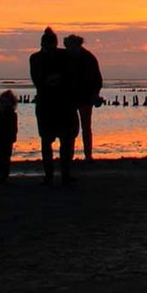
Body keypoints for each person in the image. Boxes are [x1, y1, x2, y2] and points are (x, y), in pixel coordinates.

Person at [29, 27, 77, 185]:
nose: (50, 48)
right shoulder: (36, 58)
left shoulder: (64, 56)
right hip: (47, 103)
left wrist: (55, 80)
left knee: (65, 140)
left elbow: (70, 76)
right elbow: (38, 80)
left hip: (62, 103)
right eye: (48, 45)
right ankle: (50, 175)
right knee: (47, 140)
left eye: (52, 45)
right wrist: (52, 81)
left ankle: (64, 174)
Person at [63, 34, 103, 162]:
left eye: (72, 46)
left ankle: (88, 155)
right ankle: (69, 155)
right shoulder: (65, 57)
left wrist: (95, 94)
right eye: (68, 47)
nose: (70, 49)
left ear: (78, 45)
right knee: (70, 128)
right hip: (71, 97)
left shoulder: (89, 58)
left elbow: (97, 80)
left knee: (86, 127)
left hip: (86, 97)